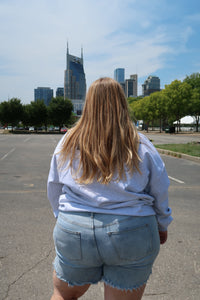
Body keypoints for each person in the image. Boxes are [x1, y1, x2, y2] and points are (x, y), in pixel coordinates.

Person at [47, 77, 173, 300]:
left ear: (88, 104)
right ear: (122, 104)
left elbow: (54, 185)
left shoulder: (68, 141)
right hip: (132, 229)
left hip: (74, 227)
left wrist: (62, 217)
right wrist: (162, 223)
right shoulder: (140, 143)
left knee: (63, 294)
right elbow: (159, 188)